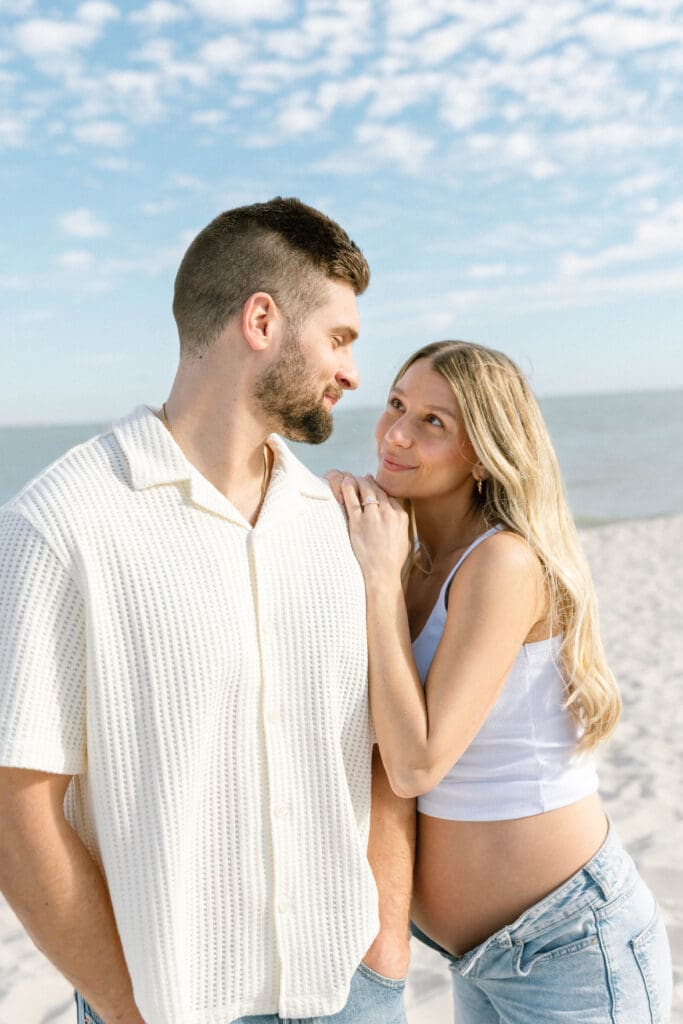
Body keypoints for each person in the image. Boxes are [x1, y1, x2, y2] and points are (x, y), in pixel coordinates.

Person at [0, 197, 414, 1024]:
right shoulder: (59, 525)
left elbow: (377, 754)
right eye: (339, 339)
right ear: (261, 320)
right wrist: (128, 1005)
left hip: (353, 993)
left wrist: (386, 952)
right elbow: (17, 808)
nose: (354, 374)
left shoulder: (341, 525)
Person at [328, 340, 673, 1022]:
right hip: (481, 959)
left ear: (483, 452)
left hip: (567, 947)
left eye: (434, 422)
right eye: (396, 404)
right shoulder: (416, 563)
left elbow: (417, 763)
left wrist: (374, 579)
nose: (395, 433)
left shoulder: (501, 563)